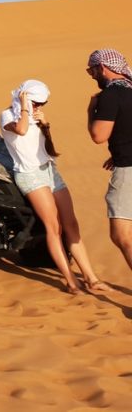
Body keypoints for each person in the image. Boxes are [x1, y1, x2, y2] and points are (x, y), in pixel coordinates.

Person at [0, 80, 111, 294]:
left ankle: (92, 278)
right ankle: (71, 281)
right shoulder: (8, 116)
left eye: (43, 103)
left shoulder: (37, 116)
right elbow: (21, 130)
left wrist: (46, 126)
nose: (38, 107)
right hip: (30, 175)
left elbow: (50, 150)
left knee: (71, 224)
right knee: (54, 227)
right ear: (24, 97)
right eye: (36, 102)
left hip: (50, 170)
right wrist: (24, 106)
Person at [86, 48, 132, 273]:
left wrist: (91, 111)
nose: (92, 75)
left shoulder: (110, 96)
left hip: (128, 171)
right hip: (125, 160)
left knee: (121, 235)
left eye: (91, 70)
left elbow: (98, 136)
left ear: (102, 67)